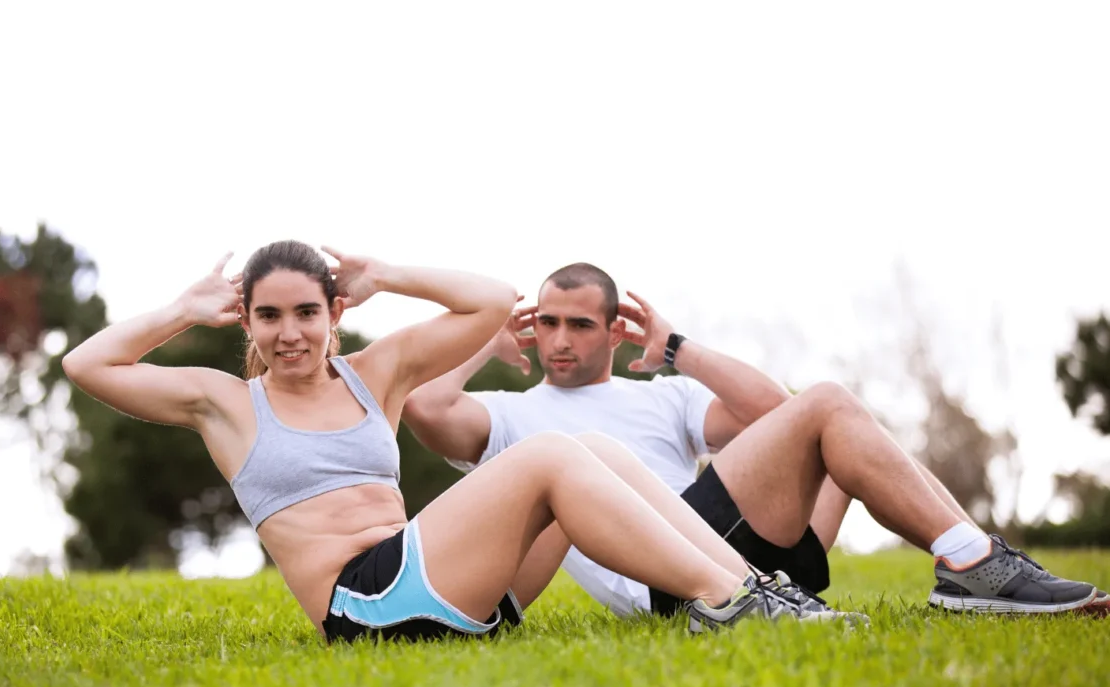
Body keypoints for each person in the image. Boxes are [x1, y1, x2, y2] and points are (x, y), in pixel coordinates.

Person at [61, 241, 849, 645]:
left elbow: (492, 302)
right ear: (250, 323)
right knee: (543, 452)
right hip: (366, 607)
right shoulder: (226, 404)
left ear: (334, 312)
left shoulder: (375, 374)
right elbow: (86, 363)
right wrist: (186, 308)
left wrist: (390, 273)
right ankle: (727, 605)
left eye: (307, 312)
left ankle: (756, 590)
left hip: (453, 589)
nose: (291, 333)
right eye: (270, 316)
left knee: (594, 449)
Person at [402, 262, 1100, 617]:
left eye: (578, 324)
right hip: (670, 572)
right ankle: (973, 563)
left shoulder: (665, 395)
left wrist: (675, 347)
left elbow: (773, 412)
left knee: (830, 418)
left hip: (748, 550)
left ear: (616, 331)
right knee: (828, 405)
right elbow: (426, 408)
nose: (558, 339)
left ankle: (972, 558)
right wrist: (483, 339)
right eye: (545, 323)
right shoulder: (511, 416)